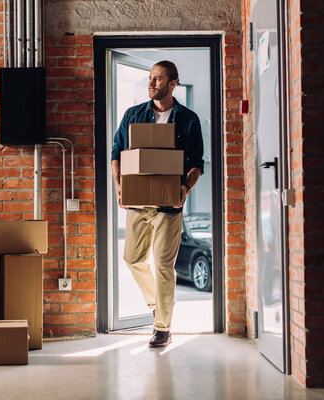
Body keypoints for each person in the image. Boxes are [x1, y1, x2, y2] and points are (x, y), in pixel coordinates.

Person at [111, 60, 204, 348]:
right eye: (150, 78)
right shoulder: (133, 115)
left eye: (158, 79)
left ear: (173, 83)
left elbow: (197, 164)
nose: (152, 84)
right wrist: (119, 185)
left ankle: (162, 327)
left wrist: (185, 189)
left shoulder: (188, 119)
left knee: (164, 265)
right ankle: (156, 303)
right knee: (132, 258)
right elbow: (117, 152)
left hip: (169, 205)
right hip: (138, 202)